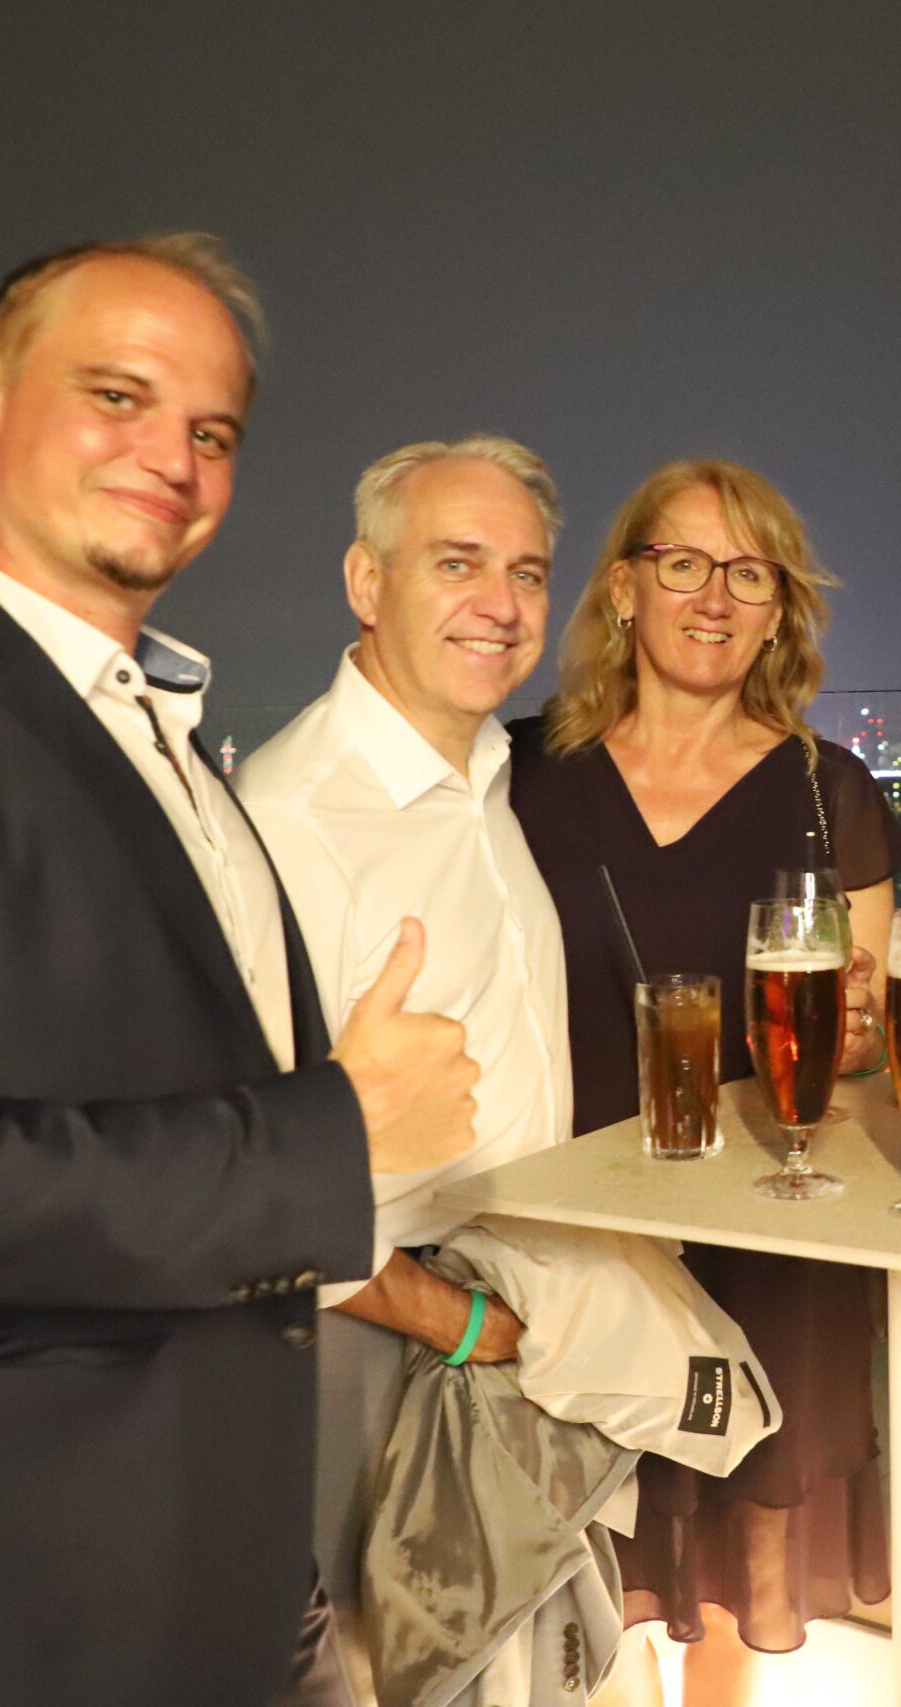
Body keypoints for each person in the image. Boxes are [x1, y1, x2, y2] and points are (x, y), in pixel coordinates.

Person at [0, 234, 479, 1707]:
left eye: (212, 431)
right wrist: (338, 1128)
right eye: (118, 395)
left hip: (229, 1570)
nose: (171, 455)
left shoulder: (169, 742)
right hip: (16, 1602)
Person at [507, 460, 900, 1704]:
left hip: (769, 1234)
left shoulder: (831, 791)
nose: (714, 597)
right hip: (578, 1226)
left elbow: (864, 1038)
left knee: (741, 1564)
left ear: (781, 611)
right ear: (624, 589)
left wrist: (861, 1034)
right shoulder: (517, 775)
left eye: (750, 574)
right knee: (582, 1560)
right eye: (682, 564)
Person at [237, 434, 568, 1673]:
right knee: (373, 1666)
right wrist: (451, 1319)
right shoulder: (293, 819)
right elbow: (259, 1171)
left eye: (527, 573)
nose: (502, 605)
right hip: (378, 1334)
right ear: (366, 584)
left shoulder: (494, 770)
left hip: (498, 1316)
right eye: (458, 563)